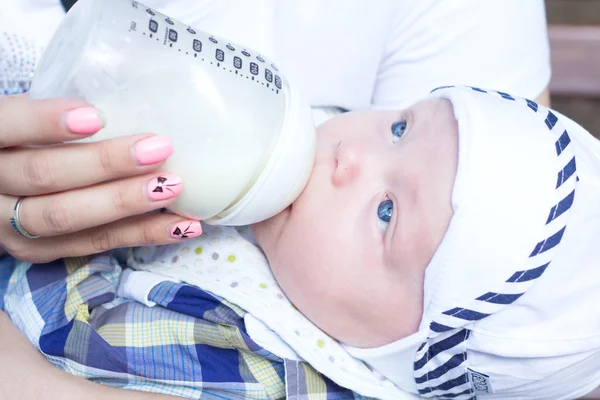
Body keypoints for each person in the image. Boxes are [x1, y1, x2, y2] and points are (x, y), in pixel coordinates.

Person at [0, 0, 554, 398]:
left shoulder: (259, 366)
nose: (351, 155)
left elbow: (63, 335)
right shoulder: (275, 253)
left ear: (396, 350)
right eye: (399, 130)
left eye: (386, 212)